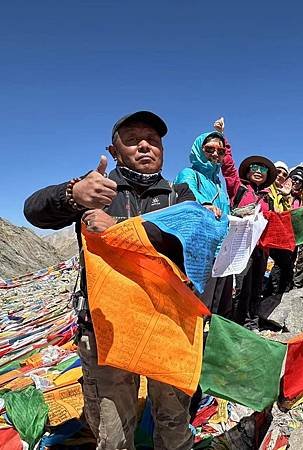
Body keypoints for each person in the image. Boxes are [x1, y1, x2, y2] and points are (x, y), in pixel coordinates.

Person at [23, 111, 198, 449]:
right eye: (132, 139)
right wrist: (73, 194)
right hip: (108, 334)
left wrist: (117, 229)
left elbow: (188, 239)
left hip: (169, 328)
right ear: (114, 150)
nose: (144, 145)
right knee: (112, 434)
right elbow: (34, 210)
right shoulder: (97, 189)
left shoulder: (180, 196)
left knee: (175, 428)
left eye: (153, 140)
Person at [175, 119, 233, 317]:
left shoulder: (218, 182)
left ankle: (208, 341)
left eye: (220, 151)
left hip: (219, 247)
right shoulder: (189, 174)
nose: (215, 154)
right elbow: (186, 197)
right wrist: (205, 205)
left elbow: (225, 209)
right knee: (197, 300)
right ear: (200, 150)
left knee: (215, 301)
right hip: (198, 248)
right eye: (209, 149)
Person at [221, 142, 277, 330]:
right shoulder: (239, 189)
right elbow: (228, 169)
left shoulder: (268, 197)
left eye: (263, 169)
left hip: (262, 249)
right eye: (255, 167)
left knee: (256, 286)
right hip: (241, 245)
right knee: (242, 285)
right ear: (247, 171)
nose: (259, 171)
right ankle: (238, 322)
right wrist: (224, 142)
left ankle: (252, 321)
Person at [264, 161, 295, 296]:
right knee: (284, 265)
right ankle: (275, 293)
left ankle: (275, 293)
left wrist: (286, 196)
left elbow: (286, 214)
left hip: (276, 235)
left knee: (284, 265)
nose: (281, 175)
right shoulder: (266, 188)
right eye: (278, 171)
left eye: (284, 174)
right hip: (265, 234)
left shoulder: (280, 192)